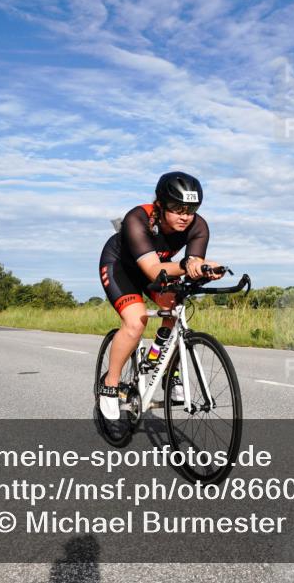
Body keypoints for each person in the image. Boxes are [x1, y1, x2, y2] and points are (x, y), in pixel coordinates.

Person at [97, 171, 223, 438]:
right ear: (160, 204)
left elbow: (191, 266)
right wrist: (189, 265)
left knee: (176, 306)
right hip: (121, 266)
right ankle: (109, 384)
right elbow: (154, 271)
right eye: (177, 208)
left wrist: (205, 268)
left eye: (191, 209)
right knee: (136, 322)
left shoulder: (198, 226)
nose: (185, 215)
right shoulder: (137, 218)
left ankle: (162, 364)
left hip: (158, 268)